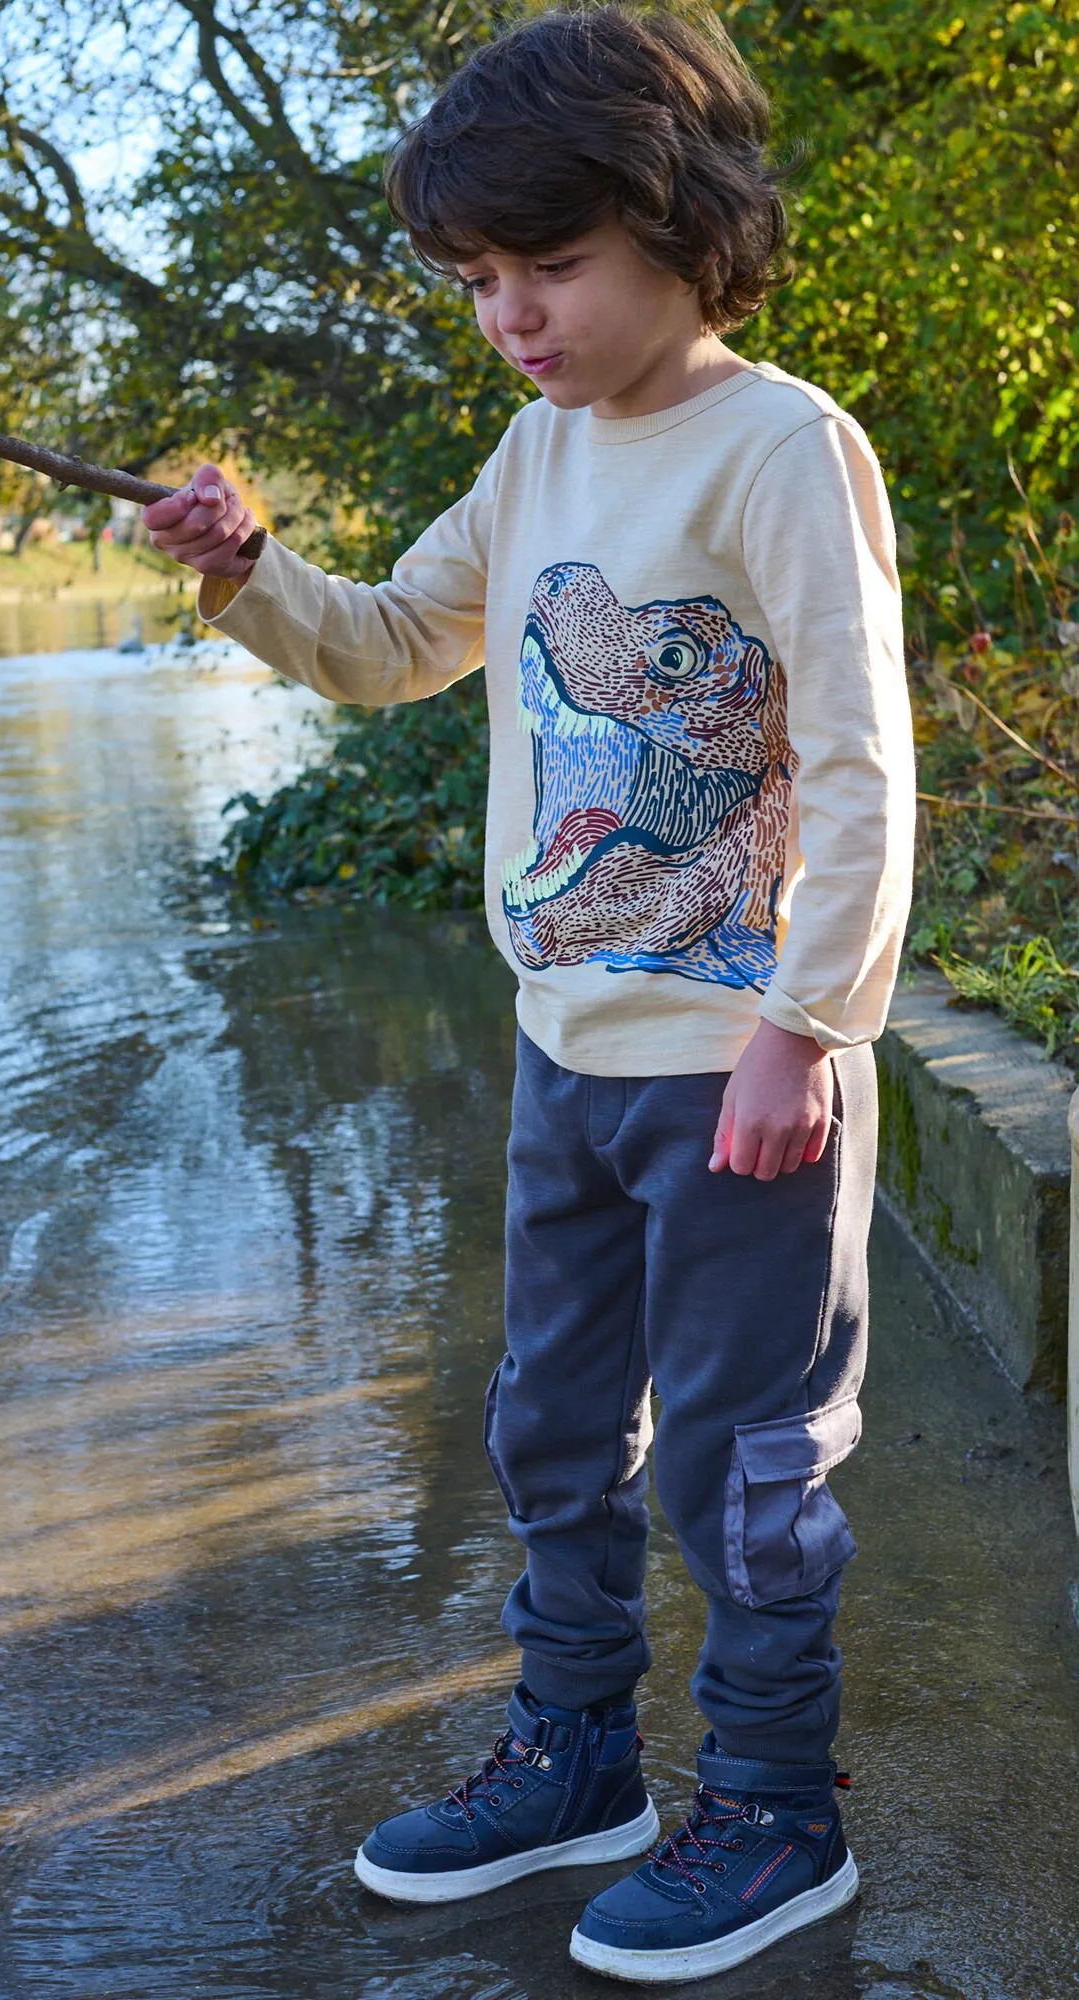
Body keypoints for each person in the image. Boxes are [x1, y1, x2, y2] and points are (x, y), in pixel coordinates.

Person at [142, 3, 914, 1982]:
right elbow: (404, 641)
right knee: (549, 1423)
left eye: (548, 264)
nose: (510, 313)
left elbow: (859, 767)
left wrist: (804, 1025)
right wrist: (249, 570)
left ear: (684, 223)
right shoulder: (534, 447)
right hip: (565, 1054)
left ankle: (772, 1809)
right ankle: (577, 1752)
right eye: (481, 278)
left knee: (748, 1457)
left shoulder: (778, 448)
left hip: (743, 1074)